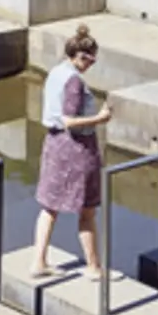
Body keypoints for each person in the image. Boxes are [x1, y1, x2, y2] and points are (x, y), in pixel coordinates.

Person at [29, 24, 110, 280]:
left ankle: (39, 261)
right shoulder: (74, 81)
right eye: (91, 59)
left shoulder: (56, 72)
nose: (92, 65)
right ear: (81, 56)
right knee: (87, 210)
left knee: (49, 207)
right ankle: (93, 267)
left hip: (54, 145)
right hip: (75, 150)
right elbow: (69, 120)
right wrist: (100, 118)